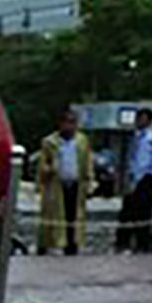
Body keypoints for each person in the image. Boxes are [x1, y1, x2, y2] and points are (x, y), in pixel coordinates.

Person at [37, 109, 94, 256]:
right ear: (60, 124)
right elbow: (42, 165)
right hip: (56, 184)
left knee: (73, 215)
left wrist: (89, 181)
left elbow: (88, 162)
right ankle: (47, 244)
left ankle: (72, 244)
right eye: (66, 122)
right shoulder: (50, 142)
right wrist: (49, 169)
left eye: (73, 122)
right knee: (54, 216)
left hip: (76, 183)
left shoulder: (82, 141)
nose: (69, 126)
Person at [116, 108, 152, 253]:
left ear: (149, 121)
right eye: (138, 118)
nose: (140, 121)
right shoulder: (133, 137)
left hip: (145, 177)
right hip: (132, 176)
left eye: (143, 118)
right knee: (127, 211)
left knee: (143, 212)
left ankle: (142, 242)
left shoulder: (151, 138)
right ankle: (123, 241)